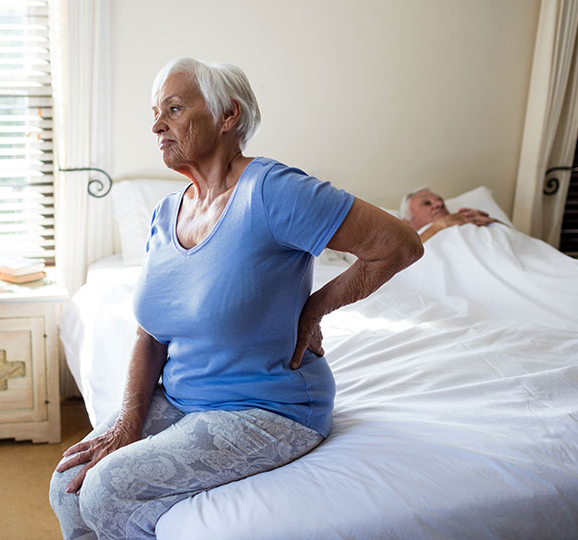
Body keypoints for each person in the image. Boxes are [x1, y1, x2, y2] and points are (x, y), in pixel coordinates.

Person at [49, 57, 423, 540]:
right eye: (155, 112)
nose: (157, 125)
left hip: (268, 407)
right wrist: (127, 423)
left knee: (107, 490)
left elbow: (399, 245)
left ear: (228, 115)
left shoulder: (273, 191)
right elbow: (150, 333)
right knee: (68, 485)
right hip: (185, 398)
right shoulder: (166, 214)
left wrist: (313, 309)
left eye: (175, 108)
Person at [400, 187, 495, 242]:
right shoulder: (408, 248)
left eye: (440, 201)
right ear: (407, 223)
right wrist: (438, 226)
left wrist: (492, 221)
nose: (439, 204)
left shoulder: (471, 219)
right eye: (427, 203)